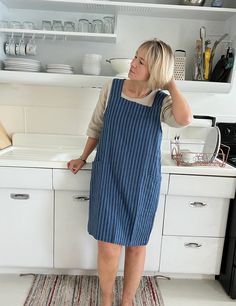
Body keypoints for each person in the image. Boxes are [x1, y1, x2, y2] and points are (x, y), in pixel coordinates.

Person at [67, 38, 192, 306]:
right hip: (108, 175)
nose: (132, 64)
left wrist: (169, 82)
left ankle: (127, 301)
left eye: (141, 61)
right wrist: (82, 156)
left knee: (136, 245)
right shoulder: (112, 88)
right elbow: (96, 126)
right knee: (108, 245)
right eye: (135, 57)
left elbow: (184, 119)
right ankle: (107, 298)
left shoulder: (161, 101)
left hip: (142, 182)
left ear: (156, 69)